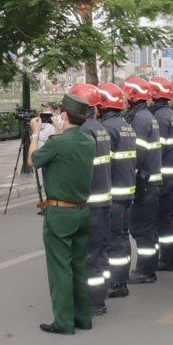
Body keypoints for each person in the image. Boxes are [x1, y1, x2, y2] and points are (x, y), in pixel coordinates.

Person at [29, 87, 96, 335]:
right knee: (79, 266)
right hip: (82, 211)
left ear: (64, 115)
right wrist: (59, 131)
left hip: (60, 213)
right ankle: (83, 318)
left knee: (60, 268)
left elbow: (32, 160)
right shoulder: (87, 141)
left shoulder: (57, 143)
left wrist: (36, 133)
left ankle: (63, 322)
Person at [78, 85, 113, 316]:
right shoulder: (101, 128)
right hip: (105, 200)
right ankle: (102, 293)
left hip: (90, 201)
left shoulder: (84, 132)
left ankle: (93, 301)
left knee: (89, 253)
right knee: (99, 250)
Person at [123, 77, 162, 284]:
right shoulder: (147, 116)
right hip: (152, 183)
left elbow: (137, 154)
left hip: (145, 184)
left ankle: (145, 271)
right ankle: (149, 266)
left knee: (141, 229)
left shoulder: (139, 120)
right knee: (149, 228)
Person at [99, 83, 136, 298]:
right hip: (127, 192)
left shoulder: (107, 128)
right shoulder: (125, 125)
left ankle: (114, 283)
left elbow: (104, 164)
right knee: (121, 237)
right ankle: (121, 281)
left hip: (112, 193)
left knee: (111, 240)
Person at [148, 76, 173, 273]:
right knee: (172, 217)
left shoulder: (160, 118)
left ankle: (168, 258)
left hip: (163, 178)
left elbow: (156, 150)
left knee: (162, 221)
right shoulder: (172, 114)